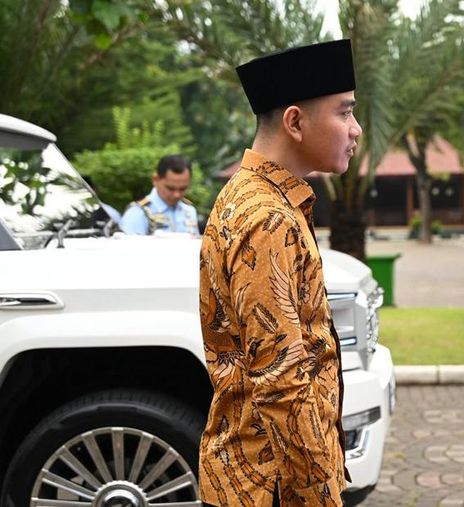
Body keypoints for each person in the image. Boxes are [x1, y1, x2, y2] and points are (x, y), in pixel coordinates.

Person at [198, 39, 361, 506]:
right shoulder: (267, 218)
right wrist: (322, 492)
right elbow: (283, 379)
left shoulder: (252, 197)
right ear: (294, 121)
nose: (356, 129)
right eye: (344, 113)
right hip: (274, 487)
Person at [119, 154, 199, 235]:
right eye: (170, 188)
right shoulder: (137, 213)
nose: (176, 195)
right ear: (155, 180)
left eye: (183, 188)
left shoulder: (189, 211)